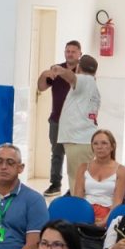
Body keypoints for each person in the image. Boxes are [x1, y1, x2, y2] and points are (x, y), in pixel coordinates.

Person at [37, 40, 83, 197]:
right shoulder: (56, 70)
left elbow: (75, 81)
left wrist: (61, 72)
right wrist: (44, 74)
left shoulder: (83, 71)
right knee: (57, 153)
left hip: (76, 122)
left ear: (79, 54)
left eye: (73, 51)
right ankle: (55, 184)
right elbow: (41, 87)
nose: (70, 54)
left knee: (74, 155)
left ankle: (74, 187)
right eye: (67, 51)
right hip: (56, 120)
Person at [54, 54, 101, 187]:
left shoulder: (85, 80)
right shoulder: (91, 85)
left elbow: (72, 77)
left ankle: (79, 207)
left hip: (78, 142)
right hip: (83, 141)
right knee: (81, 180)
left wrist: (60, 70)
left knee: (77, 183)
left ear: (78, 67)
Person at [72, 129, 125, 225]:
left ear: (112, 146)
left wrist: (104, 222)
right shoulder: (83, 168)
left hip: (108, 213)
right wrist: (84, 217)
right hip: (85, 211)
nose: (99, 147)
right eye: (95, 144)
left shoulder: (121, 170)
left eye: (104, 143)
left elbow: (117, 203)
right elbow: (78, 200)